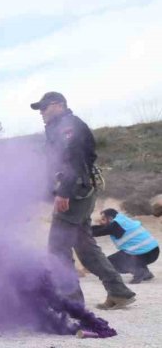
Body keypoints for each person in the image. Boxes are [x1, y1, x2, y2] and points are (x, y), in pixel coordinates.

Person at [30, 91, 136, 310]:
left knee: (57, 248)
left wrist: (64, 192)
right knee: (85, 246)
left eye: (44, 107)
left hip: (75, 191)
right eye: (39, 108)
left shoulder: (69, 126)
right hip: (77, 190)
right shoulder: (58, 128)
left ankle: (71, 303)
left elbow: (74, 160)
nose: (41, 112)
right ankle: (119, 291)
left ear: (58, 105)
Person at [92, 208, 159, 284]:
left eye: (103, 219)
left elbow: (98, 232)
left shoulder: (115, 225)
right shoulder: (123, 220)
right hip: (152, 251)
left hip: (144, 253)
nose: (101, 222)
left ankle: (139, 272)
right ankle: (146, 273)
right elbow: (102, 228)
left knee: (110, 263)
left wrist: (81, 230)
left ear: (110, 219)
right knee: (128, 255)